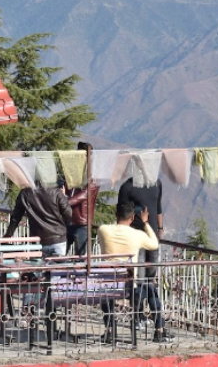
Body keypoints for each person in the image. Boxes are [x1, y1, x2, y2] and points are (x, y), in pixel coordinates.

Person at [96, 201, 172, 343]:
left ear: (116, 215)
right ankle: (159, 330)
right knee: (150, 288)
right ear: (132, 218)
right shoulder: (137, 235)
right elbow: (154, 244)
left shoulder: (103, 230)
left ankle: (110, 330)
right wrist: (145, 223)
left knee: (109, 294)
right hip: (130, 288)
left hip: (108, 285)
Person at [118, 176, 166, 337]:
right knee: (138, 282)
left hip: (151, 238)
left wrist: (160, 228)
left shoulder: (156, 182)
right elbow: (121, 212)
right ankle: (139, 317)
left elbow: (158, 208)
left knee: (149, 281)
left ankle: (146, 318)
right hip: (135, 239)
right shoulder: (128, 187)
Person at [4, 184, 72, 257]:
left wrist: (8, 234)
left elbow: (16, 217)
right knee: (57, 266)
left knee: (39, 265)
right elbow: (69, 214)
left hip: (37, 239)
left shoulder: (25, 193)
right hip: (58, 238)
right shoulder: (57, 192)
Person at [66, 142, 100, 255]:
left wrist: (64, 202)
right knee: (60, 255)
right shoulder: (74, 173)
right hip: (68, 220)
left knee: (80, 256)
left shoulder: (93, 176)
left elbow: (86, 194)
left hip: (81, 221)